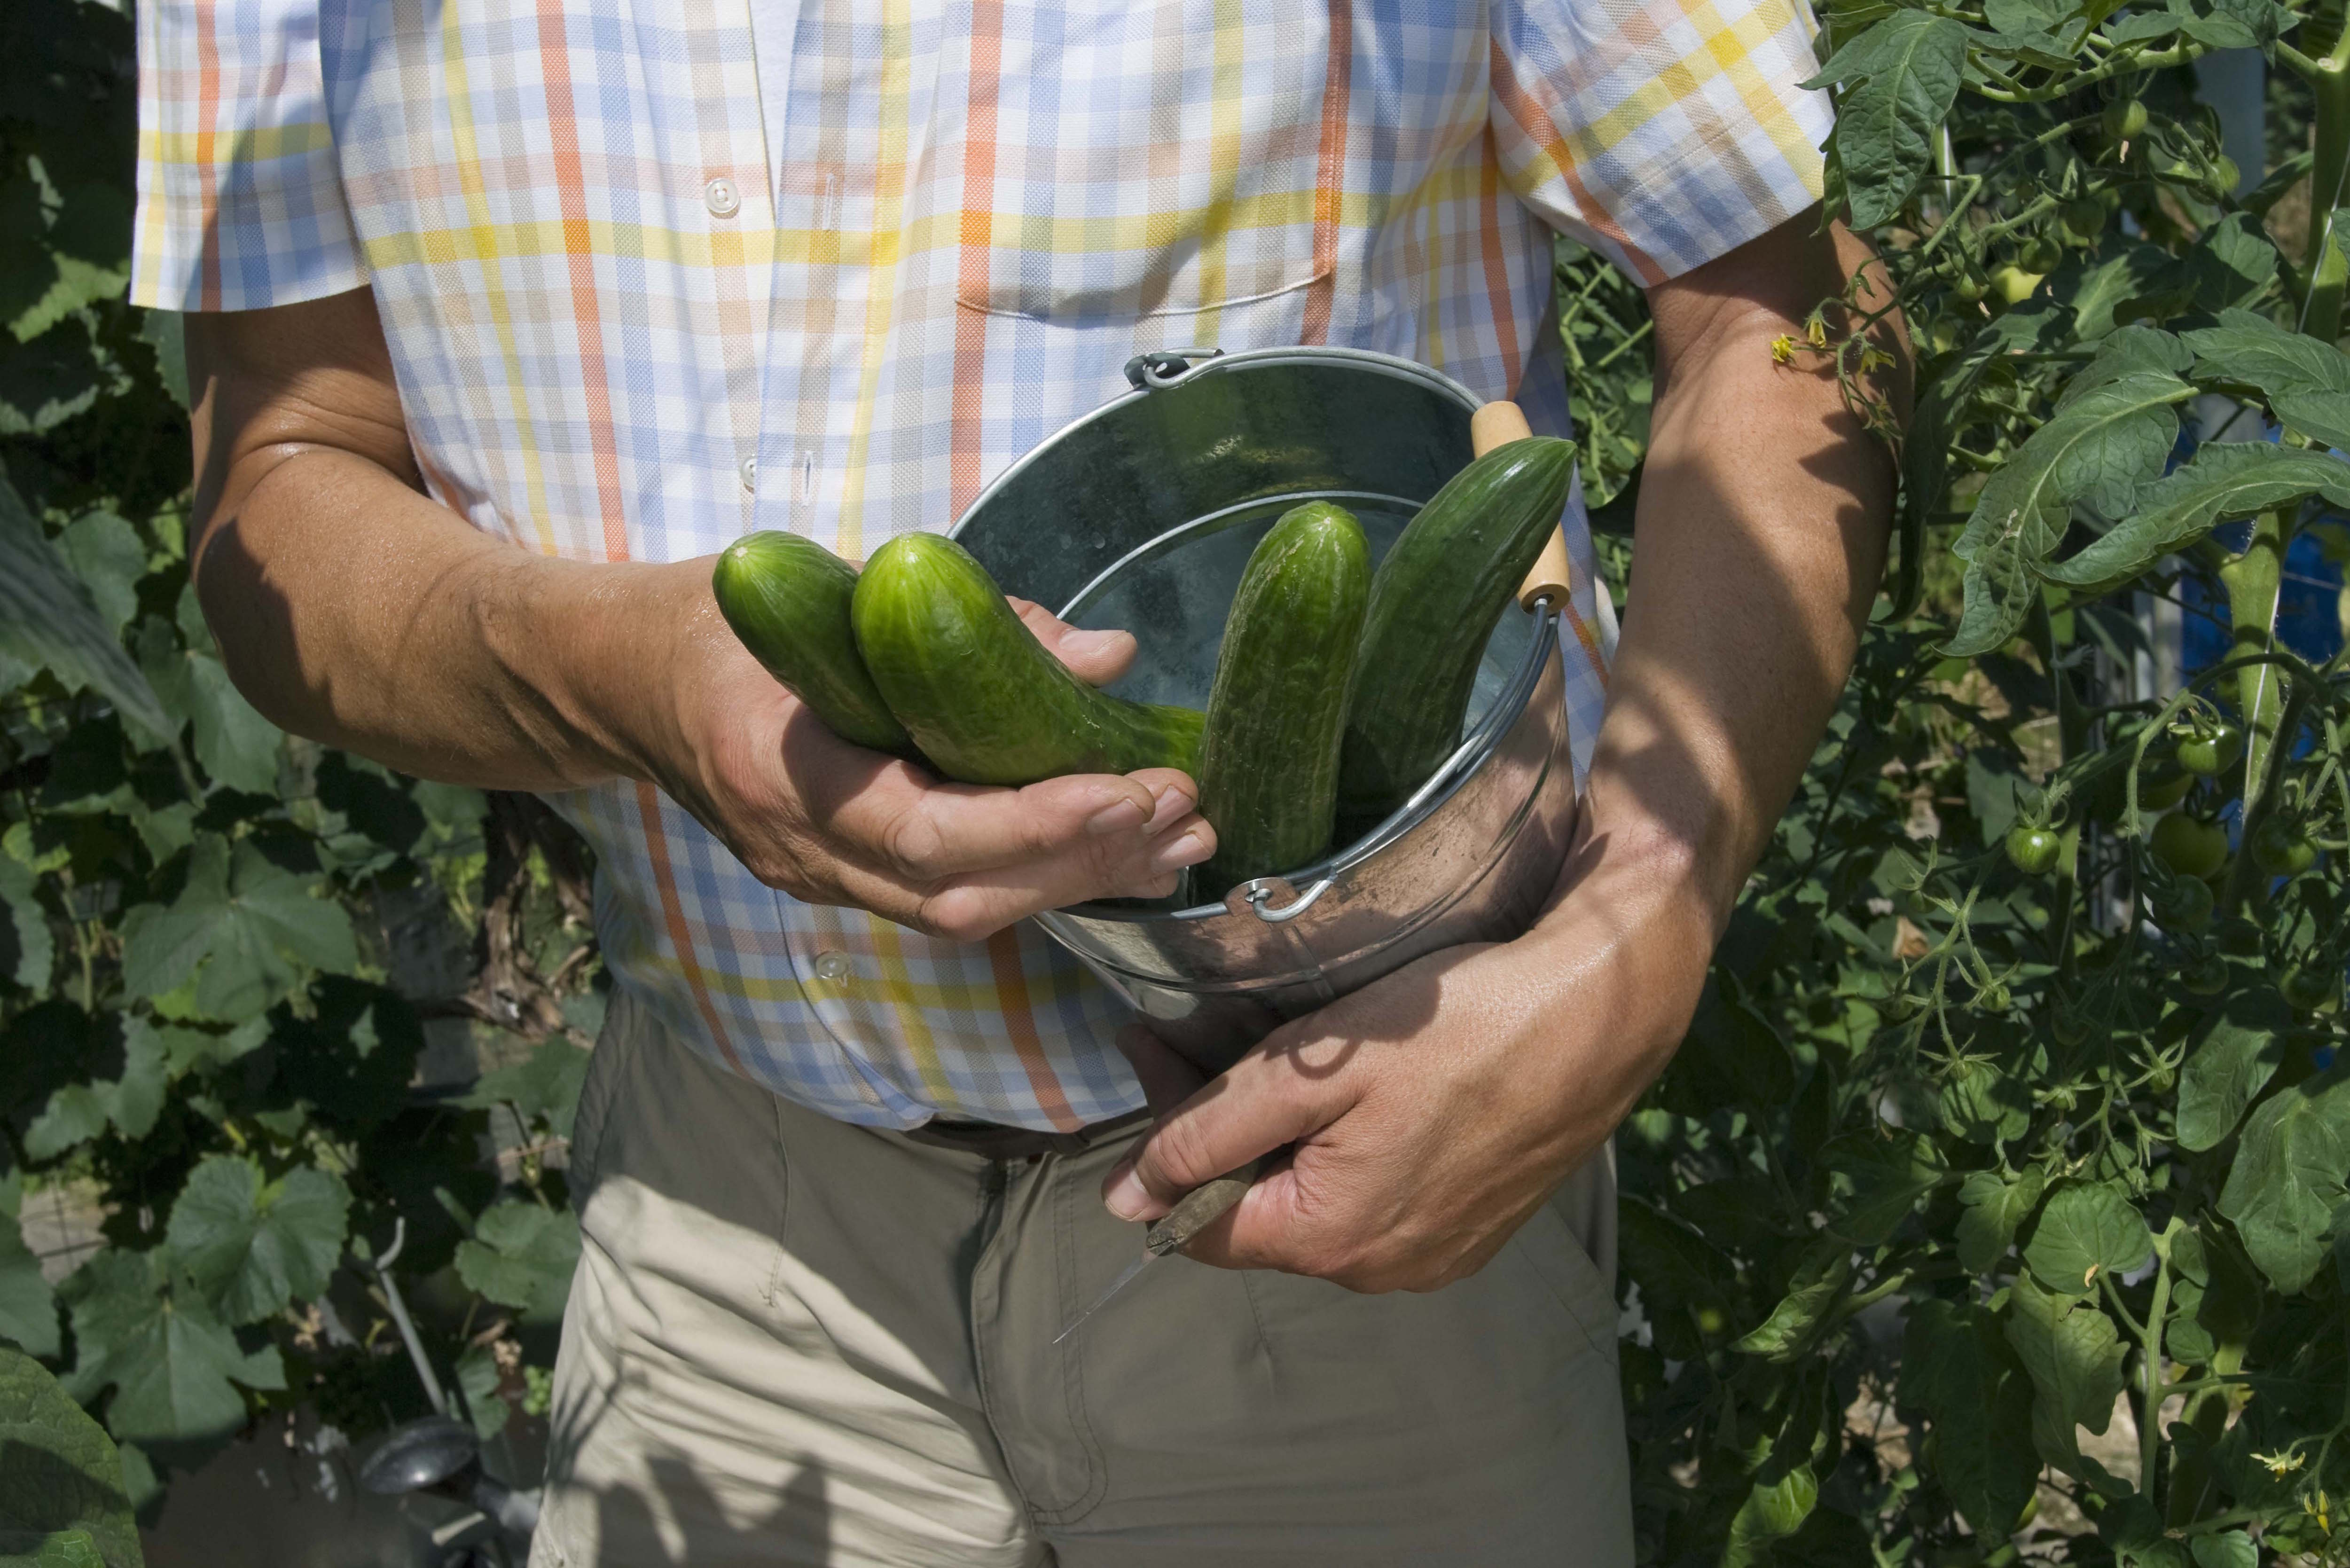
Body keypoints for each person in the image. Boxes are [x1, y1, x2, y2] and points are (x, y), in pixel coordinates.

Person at [137, 0, 1902, 1560]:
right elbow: (283, 468)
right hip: (731, 1253)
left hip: (1375, 1195)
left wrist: (1641, 929)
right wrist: (624, 679)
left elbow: (1791, 320)